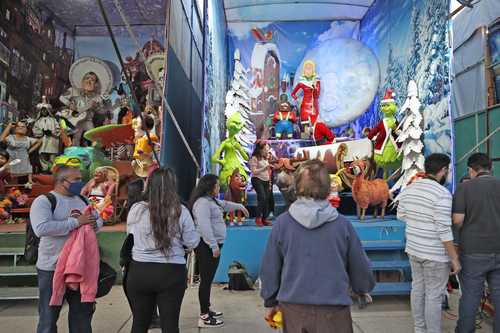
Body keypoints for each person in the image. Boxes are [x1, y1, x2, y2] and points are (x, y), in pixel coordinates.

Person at [260, 160, 375, 333]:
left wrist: (270, 300)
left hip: (294, 310)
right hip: (334, 311)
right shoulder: (342, 225)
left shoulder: (282, 224)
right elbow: (360, 266)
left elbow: (270, 268)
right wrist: (362, 289)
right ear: (328, 189)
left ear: (296, 187)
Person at [30, 165, 103, 333]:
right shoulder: (44, 201)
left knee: (82, 318)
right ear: (62, 182)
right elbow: (41, 228)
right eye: (76, 179)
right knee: (48, 318)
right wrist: (77, 222)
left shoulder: (83, 200)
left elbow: (98, 221)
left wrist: (94, 223)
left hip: (80, 268)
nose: (80, 182)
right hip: (52, 268)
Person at [126, 168, 199, 333]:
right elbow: (193, 242)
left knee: (139, 324)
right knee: (170, 325)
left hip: (139, 271)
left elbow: (130, 237)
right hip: (171, 272)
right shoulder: (181, 211)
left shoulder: (136, 209)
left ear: (149, 185)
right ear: (173, 186)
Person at [397, 153, 460, 333]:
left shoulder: (410, 188)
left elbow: (401, 215)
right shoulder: (442, 194)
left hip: (414, 250)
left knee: (417, 289)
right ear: (442, 170)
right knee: (433, 295)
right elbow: (444, 230)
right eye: (448, 170)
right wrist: (454, 258)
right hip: (434, 255)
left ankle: (419, 329)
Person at [189, 174, 249, 328]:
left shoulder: (211, 200)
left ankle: (207, 308)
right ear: (209, 187)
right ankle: (204, 316)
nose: (218, 188)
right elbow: (204, 226)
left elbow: (225, 205)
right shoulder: (202, 203)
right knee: (206, 281)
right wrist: (213, 245)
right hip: (206, 246)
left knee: (208, 280)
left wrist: (240, 206)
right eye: (216, 185)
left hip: (212, 245)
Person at [453, 153, 500, 333]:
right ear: (491, 168)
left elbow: (457, 220)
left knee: (470, 298)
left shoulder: (464, 188)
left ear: (471, 170)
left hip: (473, 251)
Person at [0, 121, 42, 188]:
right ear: (15, 129)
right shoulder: (11, 137)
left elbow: (39, 141)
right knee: (9, 183)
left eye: (23, 127)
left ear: (26, 129)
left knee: (16, 186)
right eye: (19, 126)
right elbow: (1, 139)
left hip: (23, 165)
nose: (21, 128)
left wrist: (29, 151)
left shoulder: (28, 139)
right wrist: (9, 126)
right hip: (11, 164)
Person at [250, 142, 274, 227]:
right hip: (257, 179)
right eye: (265, 149)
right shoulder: (254, 158)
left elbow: (268, 171)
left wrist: (270, 181)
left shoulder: (266, 158)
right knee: (262, 197)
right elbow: (254, 171)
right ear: (260, 149)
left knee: (267, 199)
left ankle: (265, 218)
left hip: (266, 180)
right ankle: (258, 218)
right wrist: (264, 168)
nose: (266, 151)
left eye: (267, 149)